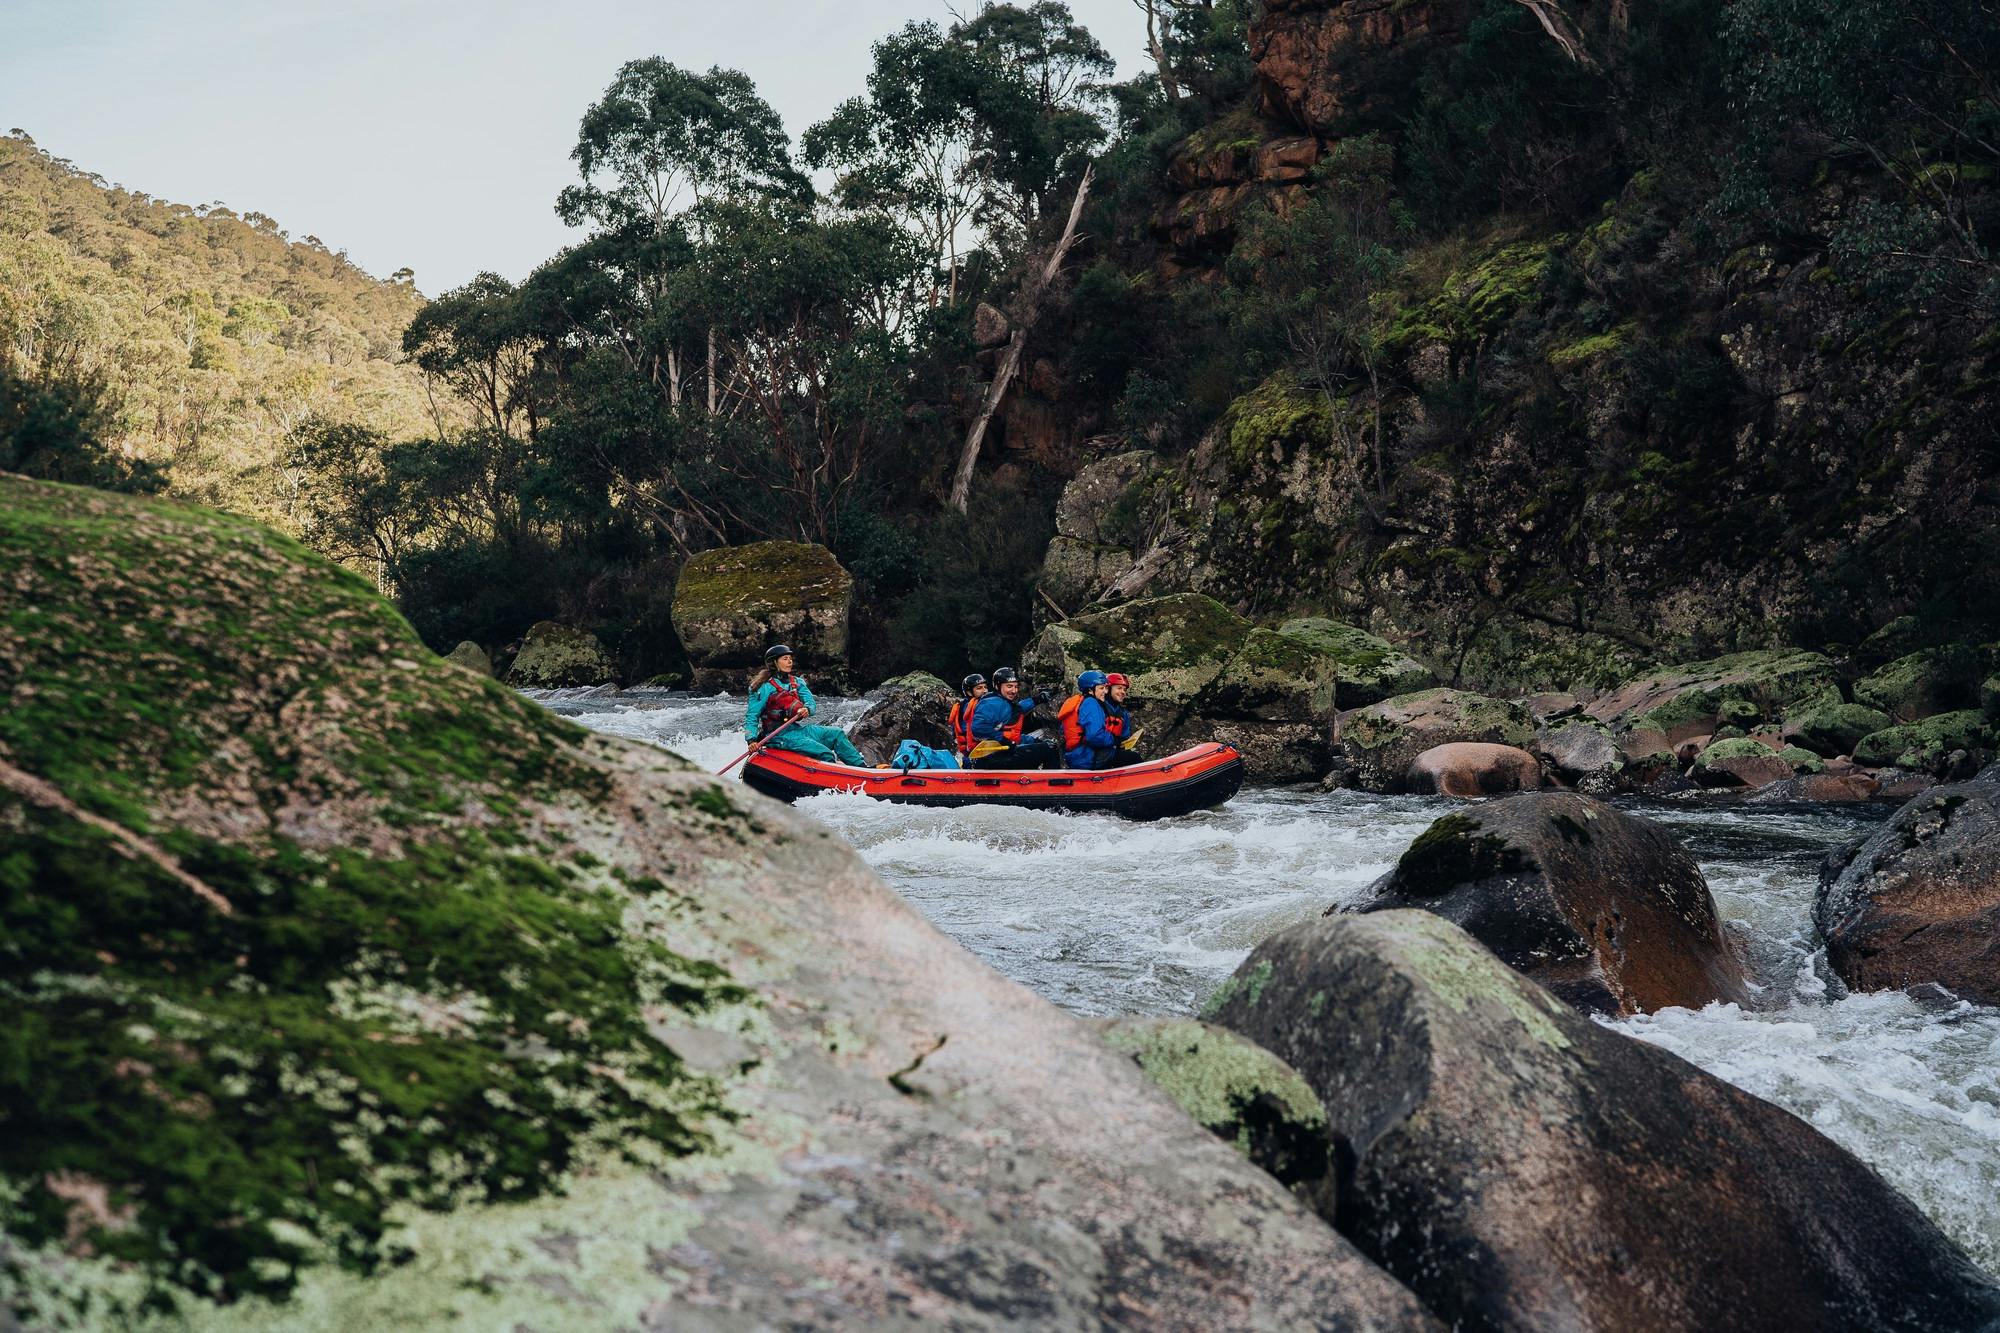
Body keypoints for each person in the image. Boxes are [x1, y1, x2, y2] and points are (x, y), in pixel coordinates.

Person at [744, 644, 869, 766]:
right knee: (825, 754)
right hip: (776, 736)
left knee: (836, 733)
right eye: (785, 659)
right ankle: (829, 781)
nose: (790, 662)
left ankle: (862, 768)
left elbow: (811, 702)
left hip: (796, 730)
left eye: (790, 659)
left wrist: (807, 709)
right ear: (774, 663)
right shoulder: (763, 687)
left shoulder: (797, 682)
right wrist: (751, 740)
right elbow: (752, 716)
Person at [967, 666, 1059, 769]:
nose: (1014, 690)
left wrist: (1038, 699)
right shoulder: (991, 703)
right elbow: (978, 728)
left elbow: (1016, 713)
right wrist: (1003, 740)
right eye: (1009, 686)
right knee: (1049, 749)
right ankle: (1054, 783)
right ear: (997, 686)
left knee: (1042, 747)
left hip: (999, 755)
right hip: (990, 758)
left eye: (1016, 686)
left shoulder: (1003, 702)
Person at [1058, 671, 1124, 770]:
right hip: (1088, 757)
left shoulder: (1079, 702)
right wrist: (1114, 740)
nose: (1105, 692)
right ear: (1090, 690)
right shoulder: (1091, 703)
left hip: (1075, 756)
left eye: (1106, 688)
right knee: (1131, 757)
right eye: (1101, 688)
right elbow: (1094, 736)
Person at [1104, 671, 1144, 765]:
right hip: (1098, 752)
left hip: (1112, 751)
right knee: (1134, 758)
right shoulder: (1099, 707)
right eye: (1119, 688)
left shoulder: (1122, 713)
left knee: (1131, 756)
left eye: (1124, 689)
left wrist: (1123, 743)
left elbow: (1124, 736)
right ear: (1108, 689)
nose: (1123, 692)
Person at [948, 673, 987, 762]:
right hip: (978, 751)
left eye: (985, 687)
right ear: (969, 692)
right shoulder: (976, 706)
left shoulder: (961, 705)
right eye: (979, 688)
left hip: (966, 752)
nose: (984, 691)